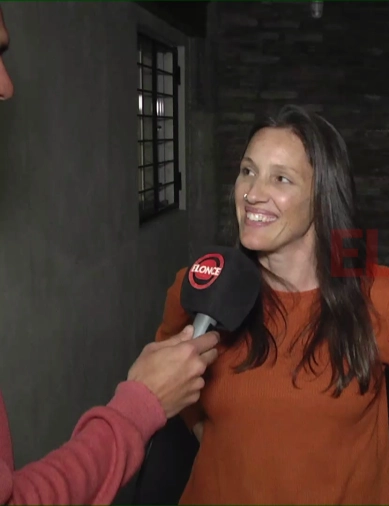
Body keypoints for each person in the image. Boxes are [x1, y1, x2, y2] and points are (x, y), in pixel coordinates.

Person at [154, 104, 389, 504]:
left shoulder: (385, 299)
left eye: (281, 178)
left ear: (322, 198)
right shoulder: (202, 285)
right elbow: (169, 370)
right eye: (247, 171)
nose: (252, 193)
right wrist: (215, 440)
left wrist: (377, 474)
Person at [0, 7, 221, 504]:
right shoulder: (192, 283)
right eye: (248, 171)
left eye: (283, 178)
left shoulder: (371, 297)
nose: (7, 86)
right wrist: (143, 411)